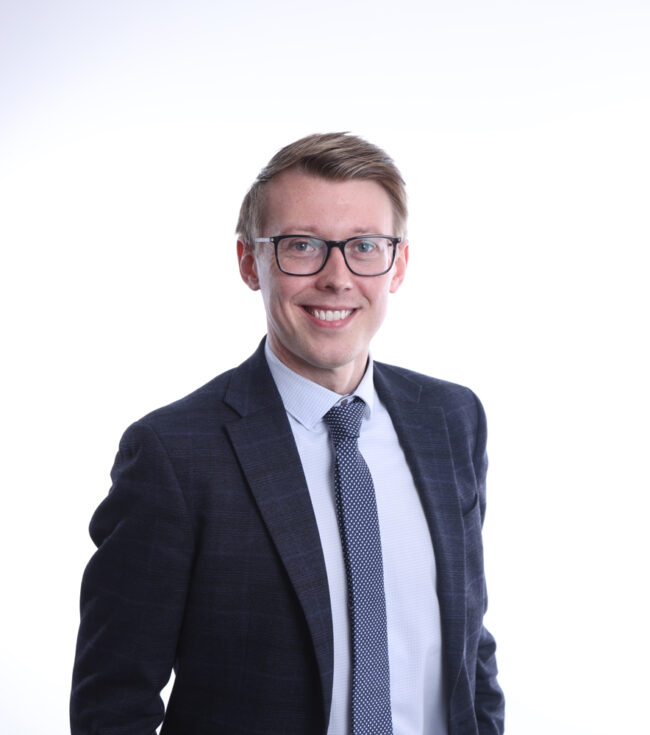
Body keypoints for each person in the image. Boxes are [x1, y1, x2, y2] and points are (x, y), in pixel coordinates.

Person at [71, 132, 505, 734]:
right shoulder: (174, 456)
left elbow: (468, 644)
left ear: (399, 263)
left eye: (365, 246)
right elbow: (113, 702)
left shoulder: (452, 420)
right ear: (250, 262)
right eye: (302, 246)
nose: (337, 277)